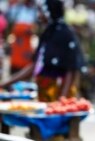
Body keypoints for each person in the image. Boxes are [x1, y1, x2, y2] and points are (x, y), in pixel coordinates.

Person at [0, 0, 86, 140]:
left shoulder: (64, 33)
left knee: (57, 134)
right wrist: (5, 84)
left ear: (48, 11)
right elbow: (35, 66)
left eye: (41, 11)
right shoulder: (49, 32)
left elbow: (71, 69)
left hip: (58, 94)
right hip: (46, 93)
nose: (39, 15)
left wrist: (61, 102)